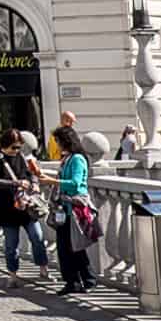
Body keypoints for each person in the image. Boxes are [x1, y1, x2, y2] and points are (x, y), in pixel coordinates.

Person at [0, 128, 51, 287]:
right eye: (14, 147)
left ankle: (44, 269)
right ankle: (13, 275)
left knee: (37, 237)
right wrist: (16, 183)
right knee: (11, 245)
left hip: (26, 206)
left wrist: (35, 184)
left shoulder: (21, 156)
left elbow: (32, 174)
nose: (17, 150)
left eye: (19, 147)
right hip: (8, 208)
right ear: (5, 145)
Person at [40, 123, 96, 295]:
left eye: (58, 141)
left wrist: (52, 182)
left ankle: (84, 280)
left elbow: (75, 183)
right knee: (67, 247)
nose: (56, 144)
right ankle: (77, 281)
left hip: (74, 208)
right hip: (64, 208)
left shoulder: (77, 159)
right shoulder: (67, 159)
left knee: (73, 246)